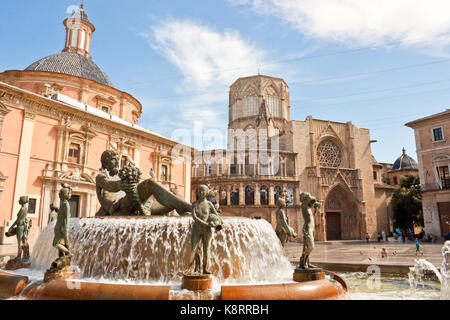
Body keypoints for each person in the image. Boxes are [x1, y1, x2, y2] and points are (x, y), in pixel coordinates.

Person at [187, 185, 223, 275]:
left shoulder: (209, 204)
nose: (201, 192)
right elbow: (194, 217)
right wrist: (206, 224)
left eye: (203, 191)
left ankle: (205, 269)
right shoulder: (194, 204)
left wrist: (220, 222)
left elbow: (216, 214)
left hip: (207, 230)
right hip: (197, 229)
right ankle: (190, 269)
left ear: (207, 193)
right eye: (199, 191)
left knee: (206, 249)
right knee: (193, 249)